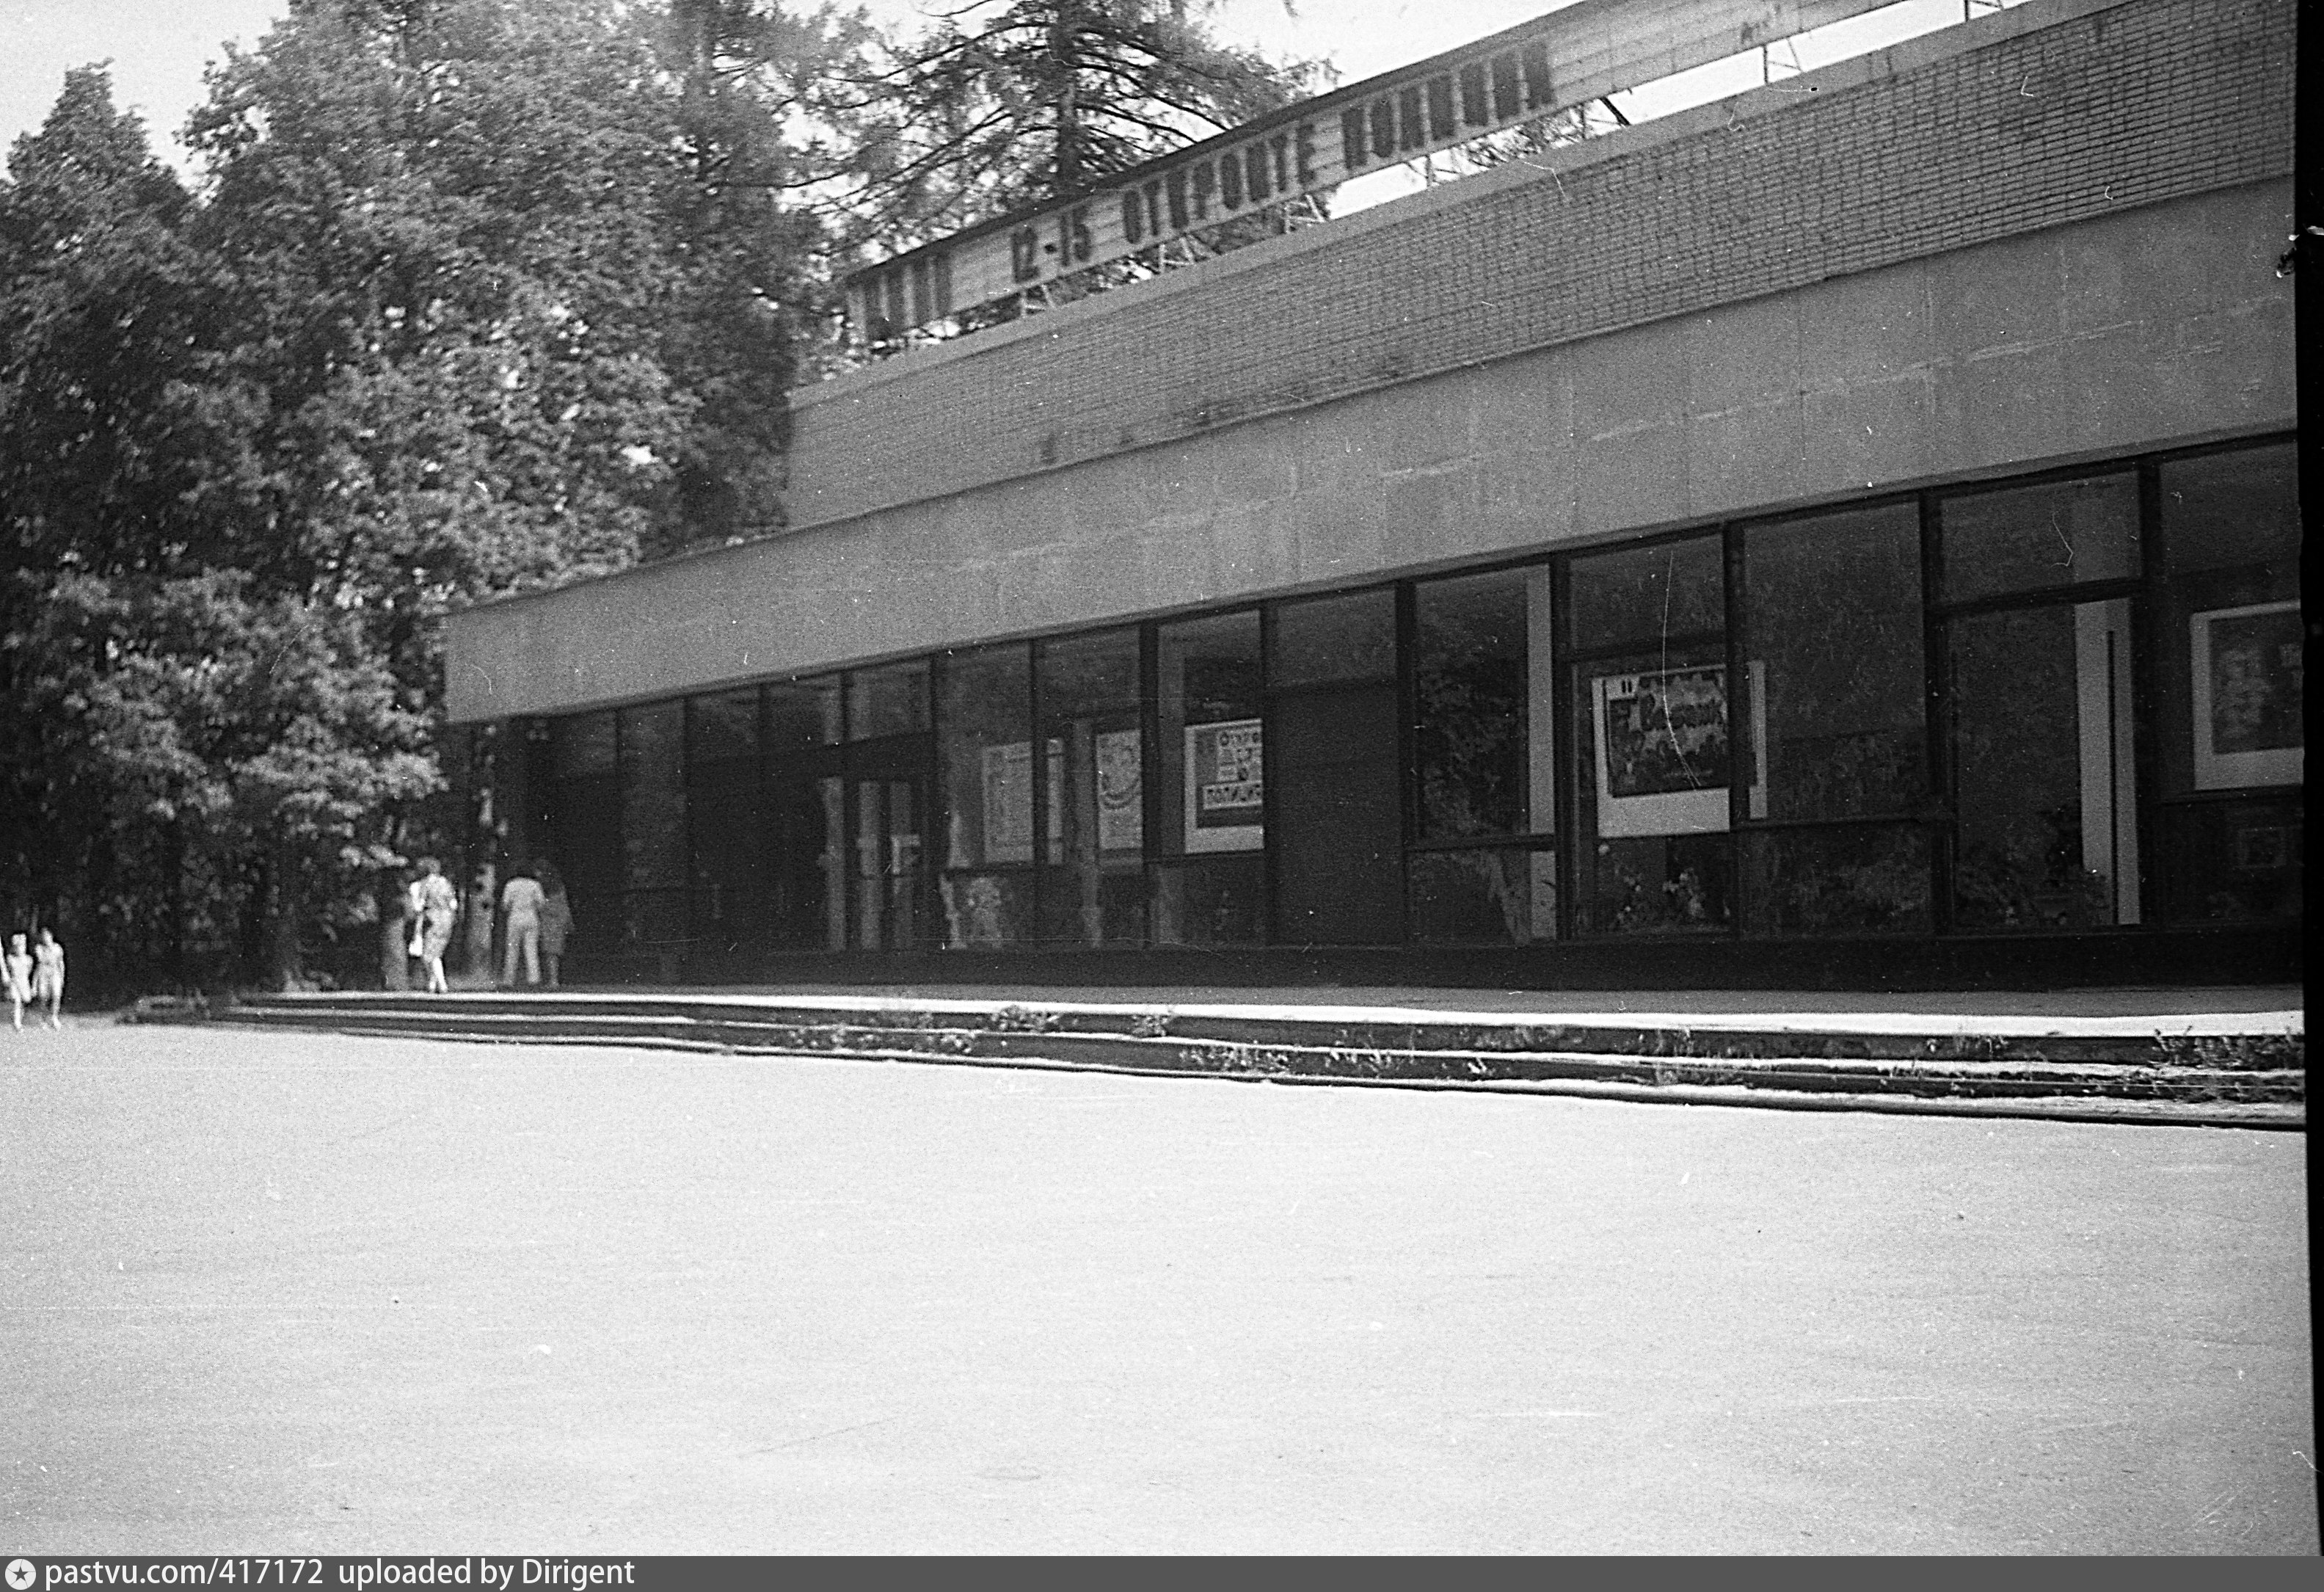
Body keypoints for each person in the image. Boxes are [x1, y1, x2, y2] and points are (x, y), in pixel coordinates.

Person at [410, 857, 460, 995]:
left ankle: (442, 984)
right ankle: (431, 985)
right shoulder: (446, 883)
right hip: (447, 921)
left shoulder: (425, 884)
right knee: (436, 952)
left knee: (430, 955)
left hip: (433, 920)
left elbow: (419, 906)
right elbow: (453, 904)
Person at [500, 863, 544, 988]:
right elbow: (541, 903)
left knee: (512, 950)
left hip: (515, 917)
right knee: (531, 949)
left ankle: (508, 980)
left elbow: (505, 904)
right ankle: (534, 979)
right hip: (531, 917)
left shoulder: (511, 885)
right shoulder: (535, 885)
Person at [536, 862, 573, 989]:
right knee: (555, 952)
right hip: (560, 921)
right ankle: (554, 979)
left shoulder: (542, 888)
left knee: (549, 952)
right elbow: (564, 905)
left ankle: (552, 980)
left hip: (548, 921)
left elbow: (542, 905)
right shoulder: (560, 887)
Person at [31, 927, 64, 1028]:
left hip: (55, 972)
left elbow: (61, 963)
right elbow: (40, 963)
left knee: (56, 995)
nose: (46, 938)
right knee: (43, 996)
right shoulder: (39, 949)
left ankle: (54, 1017)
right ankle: (43, 1019)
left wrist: (62, 976)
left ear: (51, 936)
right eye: (44, 936)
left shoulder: (57, 948)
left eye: (47, 936)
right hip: (43, 973)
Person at [5, 932, 30, 1031]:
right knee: (16, 1000)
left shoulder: (28, 960)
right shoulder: (11, 959)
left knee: (26, 999)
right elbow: (9, 970)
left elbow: (28, 971)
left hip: (24, 982)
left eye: (22, 947)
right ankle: (17, 1023)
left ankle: (20, 1017)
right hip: (14, 982)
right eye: (18, 947)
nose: (20, 949)